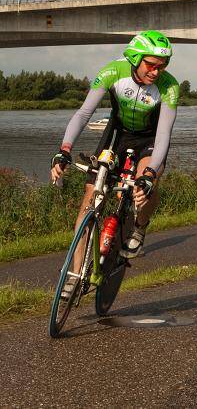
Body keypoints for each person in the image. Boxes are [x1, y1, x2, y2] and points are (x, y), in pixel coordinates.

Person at [50, 30, 179, 276]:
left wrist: (150, 174)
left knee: (144, 186)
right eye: (151, 65)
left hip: (150, 139)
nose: (156, 72)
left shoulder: (169, 86)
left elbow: (164, 134)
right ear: (135, 58)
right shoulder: (112, 71)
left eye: (162, 66)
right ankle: (74, 275)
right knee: (89, 201)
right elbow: (83, 114)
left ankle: (139, 226)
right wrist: (64, 150)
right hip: (116, 135)